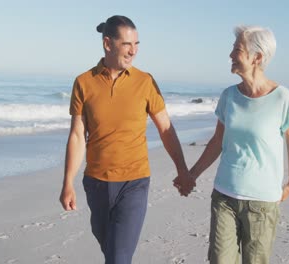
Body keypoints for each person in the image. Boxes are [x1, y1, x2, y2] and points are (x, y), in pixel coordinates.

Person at [59, 15, 194, 264]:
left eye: (137, 44)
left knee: (118, 258)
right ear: (107, 44)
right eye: (127, 45)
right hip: (96, 183)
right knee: (110, 249)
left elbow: (165, 128)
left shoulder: (145, 82)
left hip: (134, 182)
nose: (133, 51)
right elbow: (78, 134)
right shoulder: (83, 83)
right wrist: (68, 182)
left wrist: (183, 170)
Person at [176, 25, 289, 263]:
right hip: (224, 196)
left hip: (262, 202)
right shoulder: (228, 96)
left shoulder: (281, 97)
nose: (231, 55)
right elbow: (217, 141)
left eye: (237, 49)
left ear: (257, 57)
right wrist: (191, 174)